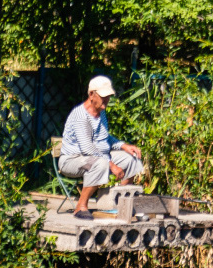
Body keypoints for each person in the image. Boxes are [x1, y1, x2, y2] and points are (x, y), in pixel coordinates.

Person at [59, 75, 147, 216]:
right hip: (72, 160)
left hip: (98, 157)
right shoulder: (80, 116)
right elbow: (88, 149)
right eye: (103, 96)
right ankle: (81, 207)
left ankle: (120, 205)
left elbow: (105, 138)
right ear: (91, 94)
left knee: (132, 159)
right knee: (101, 163)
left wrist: (124, 146)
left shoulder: (101, 113)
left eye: (108, 96)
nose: (106, 99)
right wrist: (112, 165)